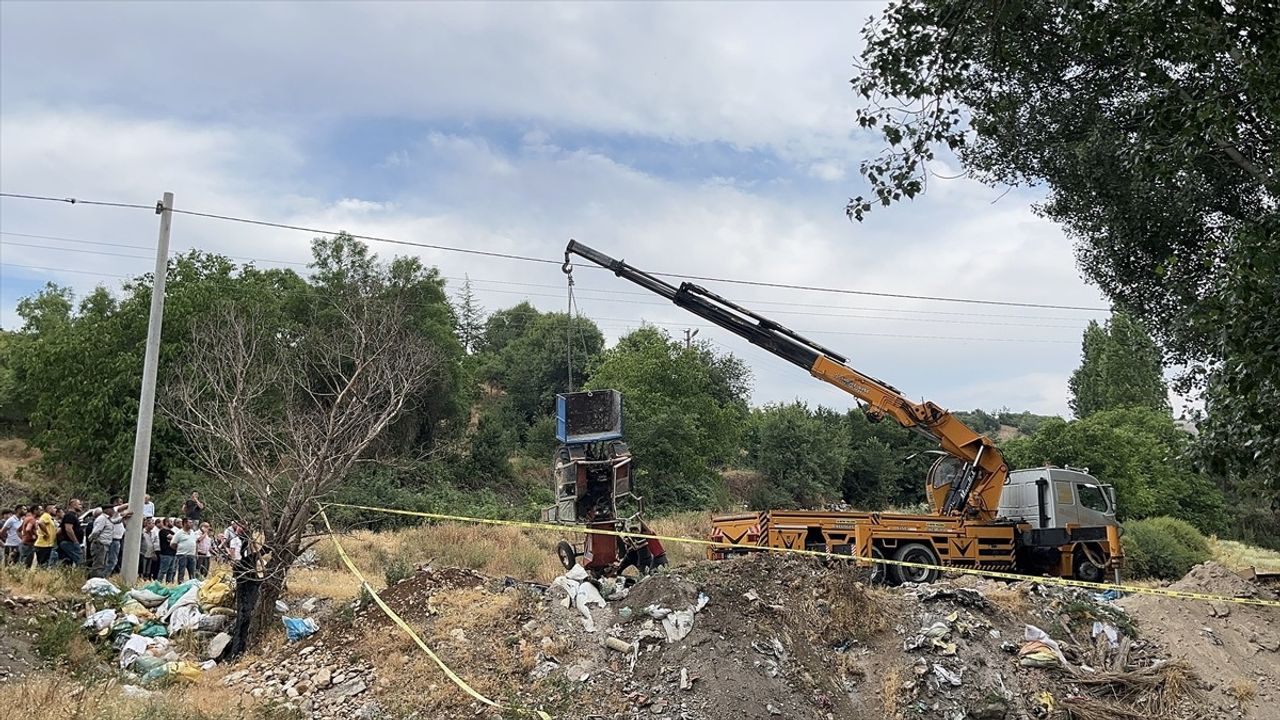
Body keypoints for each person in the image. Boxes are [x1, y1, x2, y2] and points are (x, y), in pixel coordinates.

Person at [87, 503, 114, 578]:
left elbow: (116, 521)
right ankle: (95, 580)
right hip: (100, 544)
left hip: (104, 544)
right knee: (98, 565)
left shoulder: (107, 519)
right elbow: (96, 531)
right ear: (107, 510)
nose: (113, 511)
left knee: (102, 564)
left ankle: (98, 578)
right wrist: (92, 538)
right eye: (112, 509)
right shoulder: (102, 518)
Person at [58, 498, 84, 567]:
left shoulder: (72, 516)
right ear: (73, 505)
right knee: (80, 560)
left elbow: (60, 530)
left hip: (68, 542)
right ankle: (80, 575)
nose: (81, 506)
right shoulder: (70, 515)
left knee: (67, 562)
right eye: (79, 504)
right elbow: (68, 529)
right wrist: (75, 541)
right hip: (70, 542)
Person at [106, 498, 129, 575]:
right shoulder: (114, 511)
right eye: (120, 502)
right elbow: (120, 508)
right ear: (115, 503)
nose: (121, 504)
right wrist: (135, 501)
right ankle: (105, 575)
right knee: (112, 560)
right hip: (114, 539)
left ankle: (113, 574)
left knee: (118, 559)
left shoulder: (118, 515)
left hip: (119, 539)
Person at [173, 518, 198, 583]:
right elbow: (173, 544)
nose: (191, 524)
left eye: (191, 522)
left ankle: (192, 584)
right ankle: (180, 583)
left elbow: (195, 543)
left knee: (192, 572)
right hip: (182, 555)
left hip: (191, 555)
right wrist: (180, 549)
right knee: (181, 571)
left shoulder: (192, 532)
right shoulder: (179, 533)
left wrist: (196, 553)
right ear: (184, 523)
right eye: (189, 523)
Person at [157, 518, 177, 583]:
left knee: (171, 571)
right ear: (166, 523)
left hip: (173, 554)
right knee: (163, 570)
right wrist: (176, 538)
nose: (172, 523)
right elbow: (171, 537)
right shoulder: (163, 531)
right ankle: (158, 583)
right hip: (165, 554)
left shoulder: (172, 532)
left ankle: (169, 584)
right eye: (170, 521)